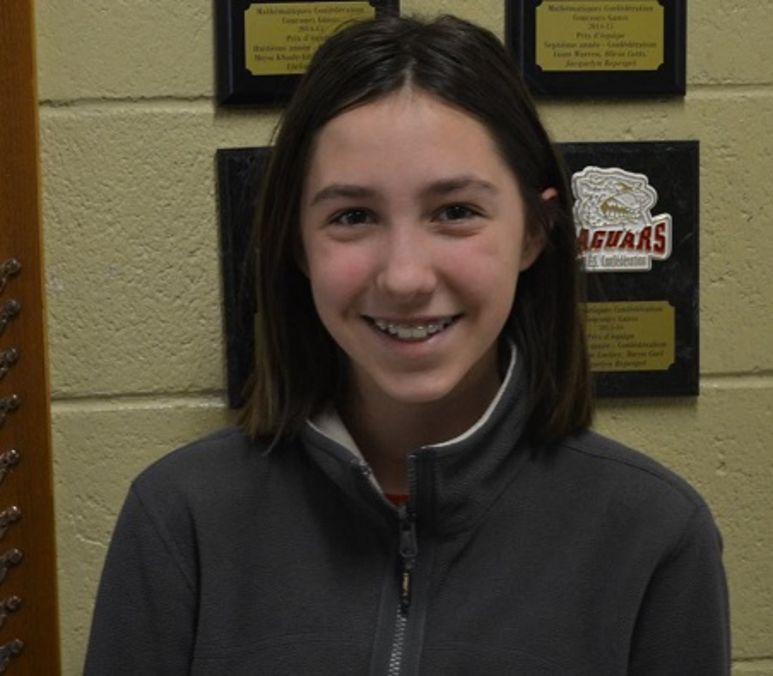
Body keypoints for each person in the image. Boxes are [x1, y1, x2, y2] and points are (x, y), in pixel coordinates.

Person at [85, 15, 730, 675]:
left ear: (534, 232)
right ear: (297, 244)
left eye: (455, 212)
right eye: (352, 216)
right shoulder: (179, 517)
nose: (404, 277)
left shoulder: (655, 534)